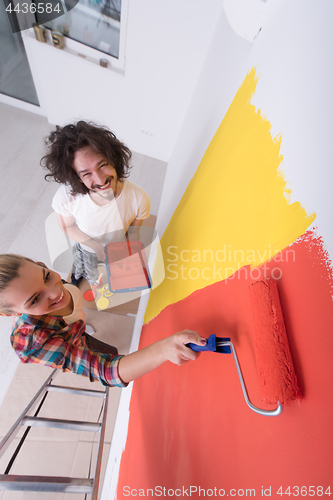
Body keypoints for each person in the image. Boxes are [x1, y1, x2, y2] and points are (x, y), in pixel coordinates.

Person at [0, 254, 205, 387]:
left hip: (75, 328)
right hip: (70, 341)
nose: (55, 292)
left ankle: (79, 329)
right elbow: (106, 371)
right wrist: (164, 349)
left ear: (40, 264)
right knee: (109, 354)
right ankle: (79, 334)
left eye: (46, 276)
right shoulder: (35, 342)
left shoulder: (41, 281)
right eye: (35, 299)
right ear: (11, 314)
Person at [42, 121, 150, 287]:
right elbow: (67, 227)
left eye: (102, 165)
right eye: (87, 174)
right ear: (77, 178)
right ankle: (79, 275)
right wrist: (95, 246)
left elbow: (133, 232)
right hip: (85, 246)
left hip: (115, 249)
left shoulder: (139, 199)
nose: (100, 180)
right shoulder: (66, 197)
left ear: (113, 159)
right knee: (83, 267)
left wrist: (125, 253)